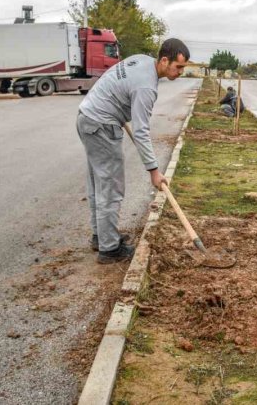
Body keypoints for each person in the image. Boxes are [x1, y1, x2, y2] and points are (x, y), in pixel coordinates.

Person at [77, 38, 190, 263]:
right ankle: (109, 249)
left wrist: (116, 106)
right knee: (110, 188)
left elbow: (113, 81)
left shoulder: (142, 60)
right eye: (178, 67)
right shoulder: (146, 87)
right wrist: (154, 171)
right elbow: (141, 131)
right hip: (102, 125)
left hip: (87, 117)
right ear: (164, 60)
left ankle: (102, 236)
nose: (181, 72)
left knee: (99, 184)